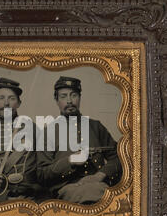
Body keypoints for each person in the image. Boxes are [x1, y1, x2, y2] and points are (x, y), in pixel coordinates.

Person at [37, 76, 122, 204]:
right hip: (67, 190)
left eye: (74, 95)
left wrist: (100, 175)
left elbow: (119, 157)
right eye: (63, 96)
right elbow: (41, 175)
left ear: (80, 97)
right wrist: (70, 161)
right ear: (56, 100)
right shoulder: (48, 132)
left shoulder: (95, 126)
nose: (69, 101)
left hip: (99, 185)